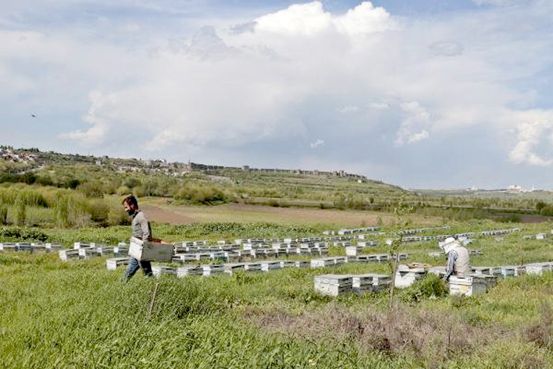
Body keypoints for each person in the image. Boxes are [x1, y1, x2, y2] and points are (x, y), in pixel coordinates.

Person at [122, 195, 153, 281]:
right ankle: (121, 286)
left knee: (147, 273)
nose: (125, 210)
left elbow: (147, 233)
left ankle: (154, 289)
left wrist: (144, 249)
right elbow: (138, 233)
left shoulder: (141, 216)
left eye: (126, 207)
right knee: (129, 271)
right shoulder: (135, 217)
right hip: (137, 249)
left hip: (142, 250)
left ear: (132, 205)